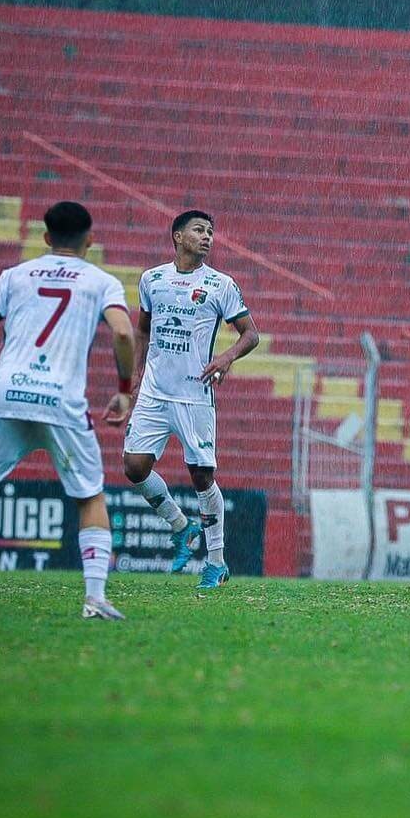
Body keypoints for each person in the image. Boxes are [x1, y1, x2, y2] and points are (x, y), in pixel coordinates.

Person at [0, 201, 136, 619]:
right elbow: (123, 331)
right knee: (89, 496)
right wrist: (125, 388)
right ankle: (95, 599)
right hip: (61, 400)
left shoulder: (14, 276)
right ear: (90, 240)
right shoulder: (101, 281)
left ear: (46, 238)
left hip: (6, 392)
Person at [123, 210, 258, 589]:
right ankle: (181, 526)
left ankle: (215, 562)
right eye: (199, 230)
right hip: (154, 391)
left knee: (201, 476)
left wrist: (227, 356)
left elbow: (251, 334)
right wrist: (135, 374)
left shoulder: (220, 284)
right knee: (134, 467)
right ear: (178, 237)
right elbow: (143, 331)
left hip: (194, 394)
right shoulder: (152, 279)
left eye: (211, 232)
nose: (207, 237)